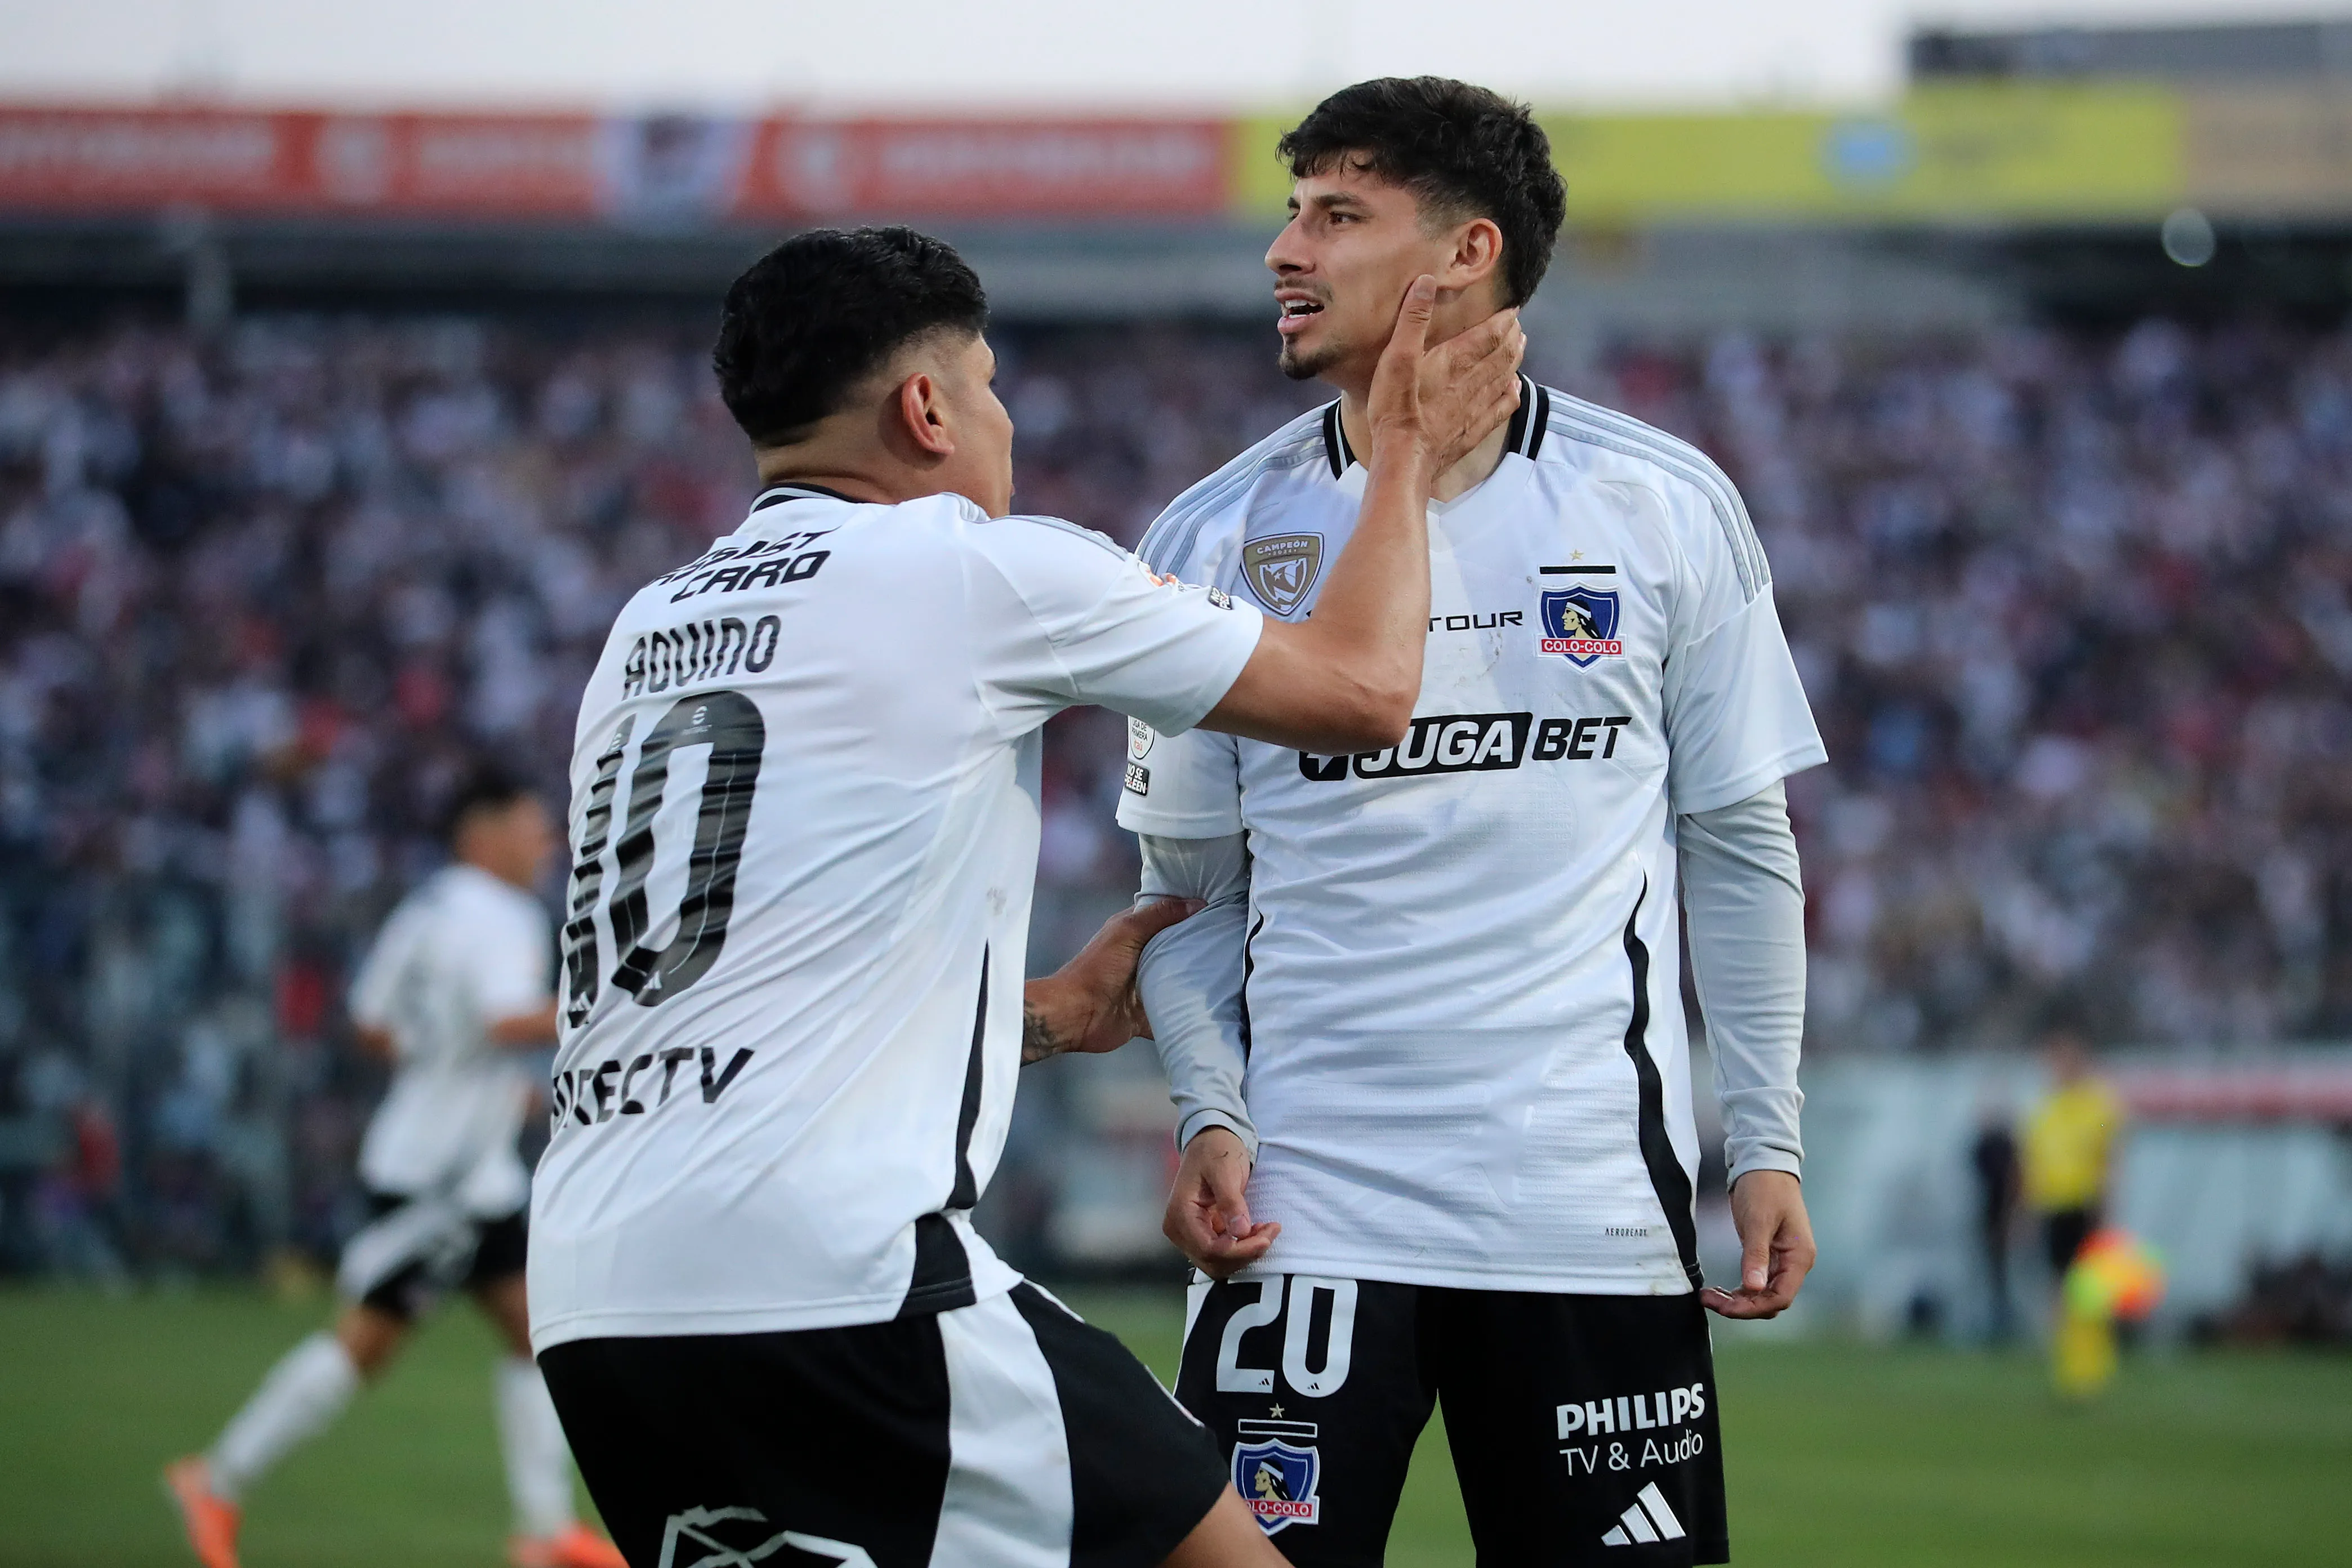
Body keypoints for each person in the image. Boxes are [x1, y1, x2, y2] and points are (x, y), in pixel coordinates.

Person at [524, 225, 1524, 1568]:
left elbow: (717, 1004)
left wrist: (1046, 1013)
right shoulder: (967, 564)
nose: (1003, 424)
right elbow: (1360, 695)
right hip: (838, 1279)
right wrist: (1400, 452)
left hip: (598, 1299)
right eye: (989, 387)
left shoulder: (648, 626)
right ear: (924, 409)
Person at [1116, 79, 1825, 1566]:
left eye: (1337, 214)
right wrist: (1208, 1108)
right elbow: (1185, 903)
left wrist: (1764, 1140)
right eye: (1291, 209)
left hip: (1585, 1219)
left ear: (1466, 254)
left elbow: (1745, 852)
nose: (1282, 249)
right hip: (1304, 1222)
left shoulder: (1663, 507)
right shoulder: (1209, 536)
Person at [167, 767, 623, 1568]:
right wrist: (618, 1004)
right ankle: (215, 1479)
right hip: (441, 1179)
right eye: (529, 826)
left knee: (532, 1327)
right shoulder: (499, 913)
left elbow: (374, 1026)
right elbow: (508, 1017)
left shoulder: (427, 908)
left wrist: (459, 1075)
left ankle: (545, 1532)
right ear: (479, 835)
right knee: (365, 1345)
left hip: (458, 1164)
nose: (545, 840)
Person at [2022, 1030, 2124, 1286]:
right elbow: (2032, 1161)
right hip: (2052, 1201)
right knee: (2057, 1272)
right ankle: (2061, 1324)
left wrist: (2107, 1198)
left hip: (2085, 1200)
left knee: (2088, 1274)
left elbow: (2109, 1151)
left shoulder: (2097, 1103)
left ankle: (2088, 1326)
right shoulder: (2045, 1107)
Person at [1969, 1103, 2021, 1341]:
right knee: (1989, 1271)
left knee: (2009, 1273)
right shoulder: (1981, 1146)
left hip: (2006, 1215)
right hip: (1988, 1215)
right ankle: (1993, 1321)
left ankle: (2006, 1322)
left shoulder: (2008, 1147)